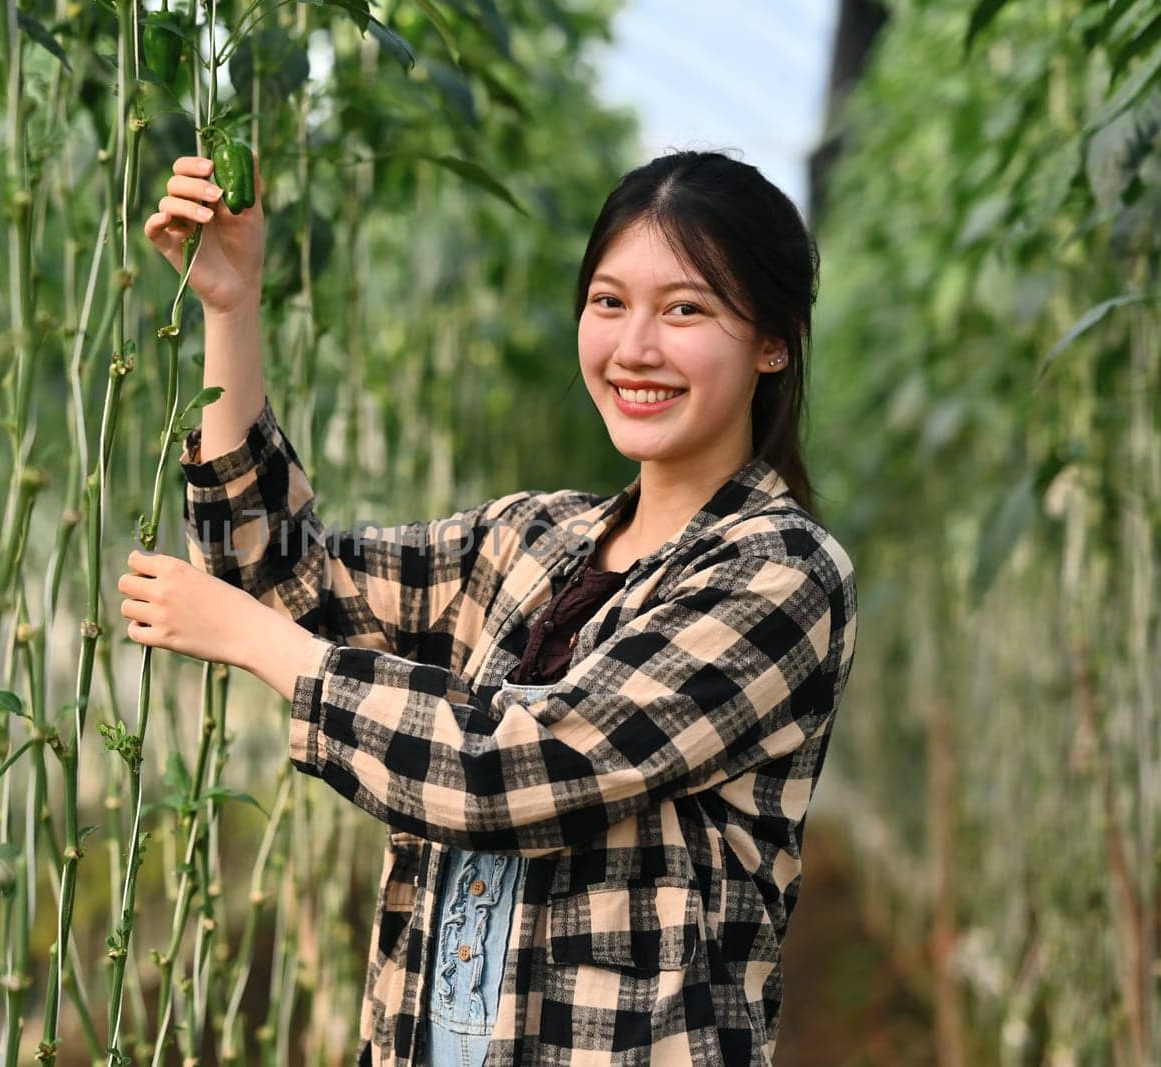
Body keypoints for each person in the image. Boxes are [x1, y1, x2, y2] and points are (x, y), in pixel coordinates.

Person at [118, 148, 858, 1067]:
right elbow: (279, 572)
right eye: (609, 302)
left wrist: (264, 645)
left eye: (687, 309)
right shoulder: (531, 539)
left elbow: (512, 771)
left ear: (774, 340)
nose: (635, 348)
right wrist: (231, 308)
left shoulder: (779, 573)